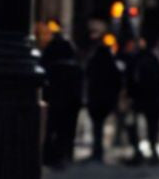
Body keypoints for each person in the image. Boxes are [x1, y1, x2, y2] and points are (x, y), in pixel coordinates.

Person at [40, 22, 83, 168]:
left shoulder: (51, 62)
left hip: (55, 99)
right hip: (68, 101)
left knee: (52, 129)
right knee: (66, 131)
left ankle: (51, 156)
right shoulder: (73, 64)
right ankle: (64, 155)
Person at [127, 37, 159, 166]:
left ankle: (139, 151)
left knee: (137, 125)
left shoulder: (137, 59)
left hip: (142, 98)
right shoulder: (154, 60)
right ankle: (151, 151)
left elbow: (130, 79)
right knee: (152, 126)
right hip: (151, 98)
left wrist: (131, 94)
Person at [85, 32, 123, 163]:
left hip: (95, 98)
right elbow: (118, 81)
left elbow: (88, 77)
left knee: (97, 127)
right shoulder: (112, 62)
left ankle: (97, 151)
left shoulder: (94, 60)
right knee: (101, 126)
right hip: (106, 99)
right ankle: (100, 151)